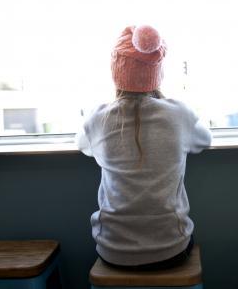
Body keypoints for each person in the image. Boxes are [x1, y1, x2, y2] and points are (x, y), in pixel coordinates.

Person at [76, 25, 211, 269]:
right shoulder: (179, 114)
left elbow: (83, 145)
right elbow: (205, 140)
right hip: (171, 249)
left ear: (116, 72)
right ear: (157, 74)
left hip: (112, 250)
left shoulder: (99, 118)